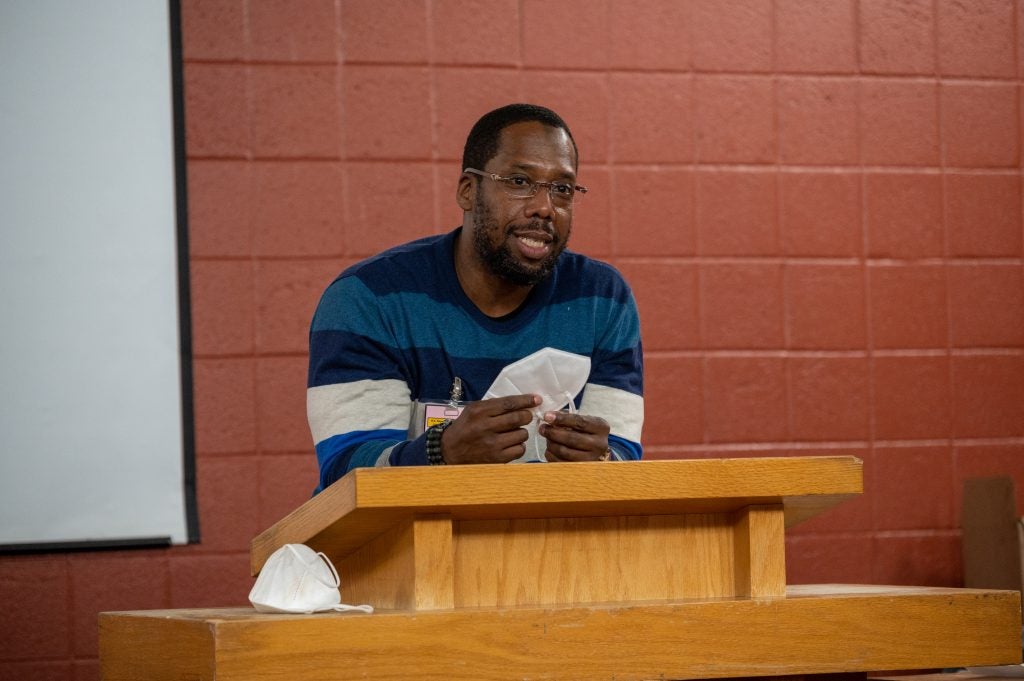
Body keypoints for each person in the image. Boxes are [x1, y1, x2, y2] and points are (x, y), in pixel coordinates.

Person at [307, 103, 643, 493]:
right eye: (519, 181)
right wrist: (440, 453)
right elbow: (346, 475)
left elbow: (620, 455)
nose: (544, 207)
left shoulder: (601, 299)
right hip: (409, 546)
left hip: (547, 544)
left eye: (562, 189)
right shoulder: (370, 298)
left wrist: (602, 461)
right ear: (468, 190)